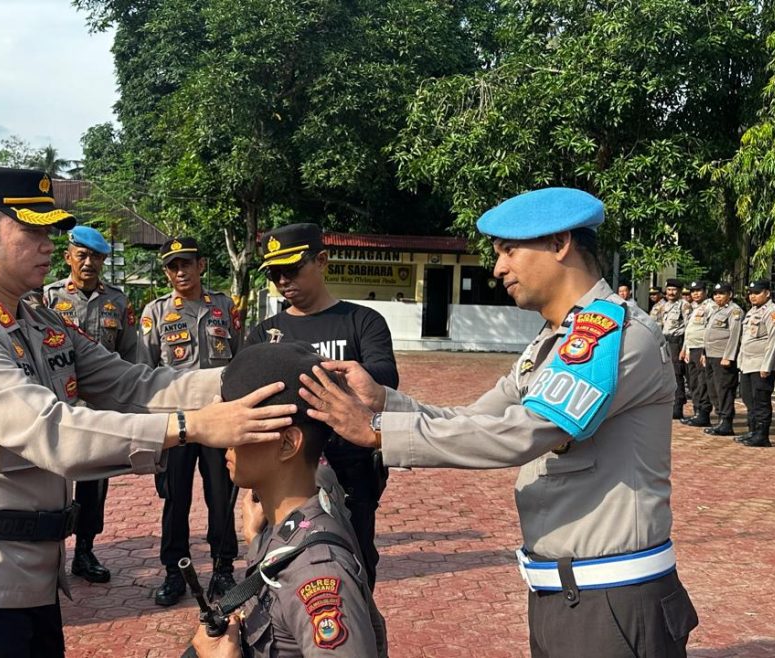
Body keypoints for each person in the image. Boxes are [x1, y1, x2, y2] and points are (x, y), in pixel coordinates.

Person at [0, 167, 292, 658]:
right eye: (33, 231)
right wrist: (191, 426)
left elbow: (135, 383)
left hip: (32, 579)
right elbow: (54, 433)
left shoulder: (39, 318)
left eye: (49, 232)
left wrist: (258, 377)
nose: (49, 245)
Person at [298, 187, 699, 657]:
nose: (498, 268)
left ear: (559, 243)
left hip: (612, 602)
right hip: (563, 594)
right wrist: (382, 401)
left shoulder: (609, 334)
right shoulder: (550, 341)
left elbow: (524, 432)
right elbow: (476, 419)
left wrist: (378, 433)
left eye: (509, 250)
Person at [190, 341, 387, 658]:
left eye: (240, 428)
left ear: (287, 445)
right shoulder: (297, 514)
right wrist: (258, 539)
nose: (224, 440)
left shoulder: (318, 575)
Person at [245, 223, 398, 589]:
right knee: (279, 564)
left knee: (356, 561)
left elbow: (384, 378)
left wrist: (299, 373)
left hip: (351, 469)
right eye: (274, 273)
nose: (283, 281)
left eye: (291, 269)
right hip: (282, 470)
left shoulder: (362, 322)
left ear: (322, 261)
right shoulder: (264, 333)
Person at [138, 236, 242, 606]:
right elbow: (143, 373)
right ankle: (174, 572)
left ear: (202, 265)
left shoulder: (225, 307)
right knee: (175, 498)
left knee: (221, 496)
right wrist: (150, 434)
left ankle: (223, 569)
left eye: (186, 263)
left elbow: (241, 363)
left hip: (218, 420)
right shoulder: (155, 312)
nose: (180, 271)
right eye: (172, 266)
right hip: (176, 423)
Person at [41, 225, 139, 584]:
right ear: (68, 257)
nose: (88, 262)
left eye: (96, 256)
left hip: (99, 409)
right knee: (53, 480)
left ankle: (85, 551)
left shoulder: (117, 301)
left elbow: (129, 354)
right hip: (59, 404)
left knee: (95, 484)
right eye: (81, 255)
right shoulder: (49, 298)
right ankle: (50, 556)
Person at [735, 280, 775, 448]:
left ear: (767, 293)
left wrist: (767, 366)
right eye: (750, 293)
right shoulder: (752, 312)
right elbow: (746, 339)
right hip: (748, 364)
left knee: (761, 401)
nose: (752, 296)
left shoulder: (773, 313)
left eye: (756, 293)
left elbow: (774, 341)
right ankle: (753, 430)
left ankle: (762, 435)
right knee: (749, 398)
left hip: (761, 365)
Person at [701, 282, 745, 437]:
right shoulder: (715, 310)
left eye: (721, 293)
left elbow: (735, 335)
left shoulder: (734, 311)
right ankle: (720, 419)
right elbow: (708, 333)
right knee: (712, 389)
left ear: (730, 295)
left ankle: (726, 422)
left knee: (724, 389)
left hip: (723, 356)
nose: (717, 296)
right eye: (715, 294)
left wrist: (728, 356)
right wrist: (704, 353)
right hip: (711, 355)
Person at [679, 280, 715, 427]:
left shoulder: (710, 307)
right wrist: (685, 349)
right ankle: (696, 411)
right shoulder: (694, 307)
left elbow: (709, 331)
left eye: (698, 290)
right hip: (691, 349)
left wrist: (705, 352)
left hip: (701, 348)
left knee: (702, 383)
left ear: (705, 291)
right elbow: (689, 331)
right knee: (693, 383)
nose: (695, 293)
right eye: (693, 291)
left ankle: (703, 413)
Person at [657, 279, 691, 419]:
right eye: (669, 290)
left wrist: (685, 347)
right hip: (665, 341)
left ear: (680, 291)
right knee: (666, 373)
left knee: (677, 374)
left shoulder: (684, 305)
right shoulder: (663, 306)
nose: (671, 292)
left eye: (674, 290)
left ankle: (678, 406)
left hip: (677, 342)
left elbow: (689, 327)